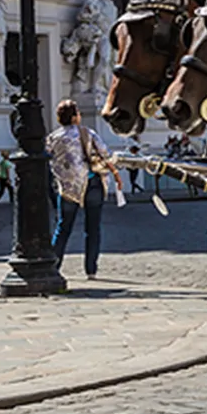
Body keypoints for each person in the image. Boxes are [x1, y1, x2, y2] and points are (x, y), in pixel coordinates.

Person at [47, 98, 122, 279]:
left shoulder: (53, 138)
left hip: (67, 188)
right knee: (93, 228)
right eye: (78, 113)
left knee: (63, 228)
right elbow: (105, 154)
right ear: (74, 117)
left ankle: (53, 266)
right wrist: (116, 175)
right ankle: (91, 270)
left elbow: (47, 159)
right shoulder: (86, 133)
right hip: (92, 185)